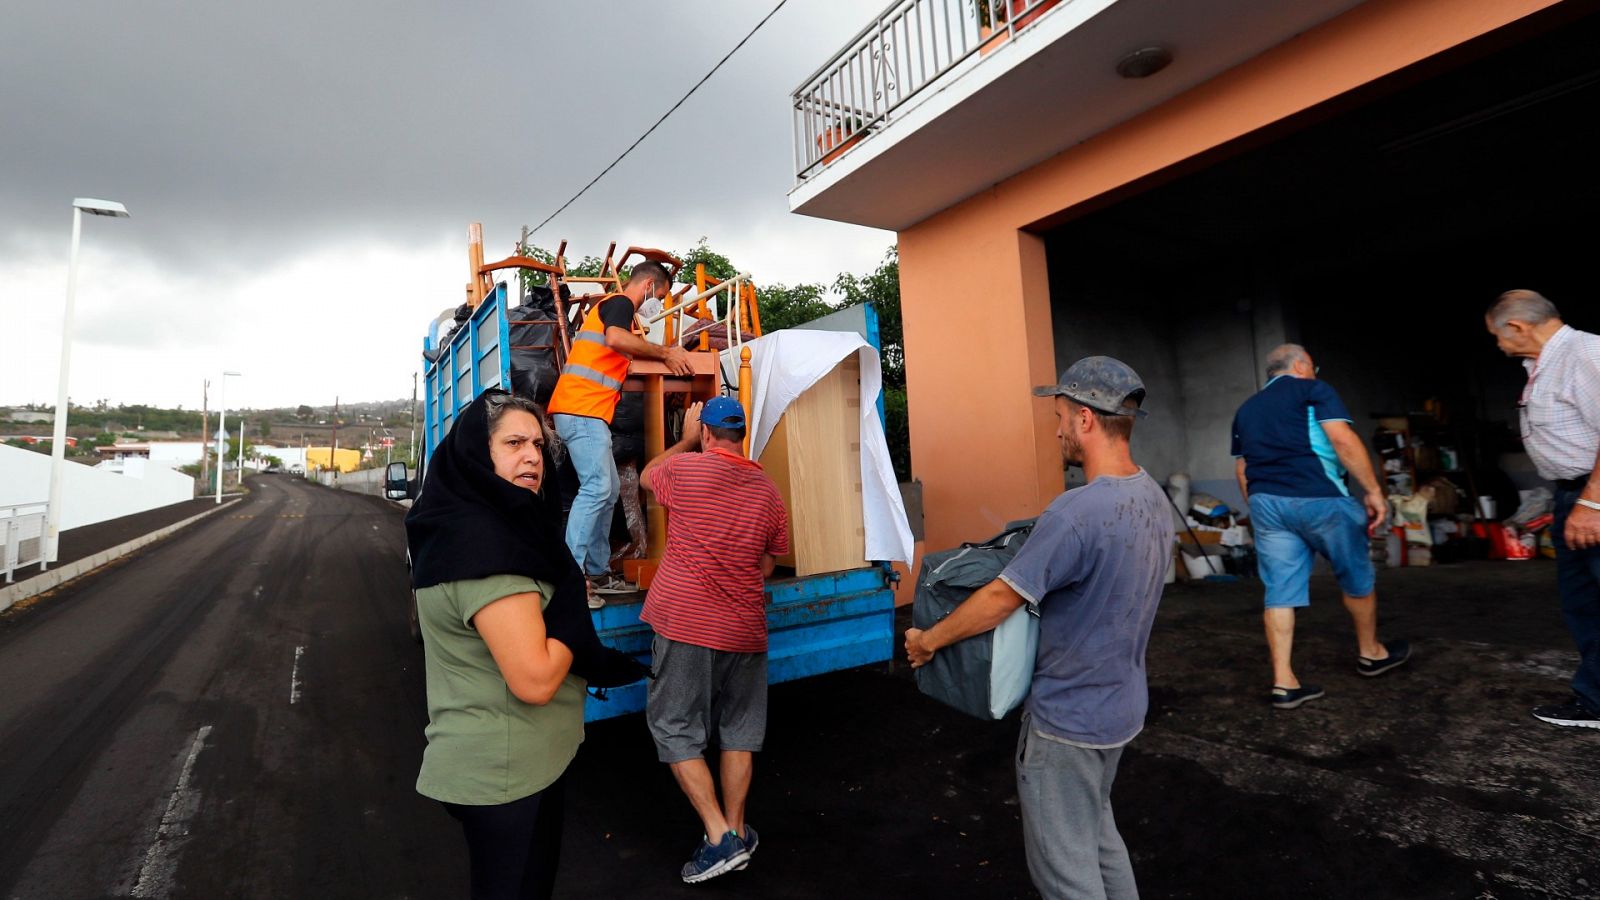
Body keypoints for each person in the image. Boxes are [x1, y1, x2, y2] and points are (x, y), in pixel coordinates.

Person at [904, 357, 1174, 900]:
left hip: (1067, 724)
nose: (1056, 430)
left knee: (1066, 875)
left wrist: (928, 641)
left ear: (1085, 419)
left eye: (1060, 416)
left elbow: (1001, 597)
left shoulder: (1077, 512)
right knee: (1099, 839)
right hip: (1121, 711)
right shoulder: (1153, 499)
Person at [405, 389, 648, 900]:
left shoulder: (487, 528)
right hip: (504, 771)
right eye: (513, 443)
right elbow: (535, 680)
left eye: (538, 444)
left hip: (525, 761)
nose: (533, 456)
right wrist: (568, 606)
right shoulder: (484, 548)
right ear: (478, 452)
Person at [638, 397, 789, 884]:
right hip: (745, 627)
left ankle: (718, 837)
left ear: (706, 433)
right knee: (740, 731)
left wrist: (681, 439)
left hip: (685, 621)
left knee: (676, 727)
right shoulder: (768, 490)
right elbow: (768, 564)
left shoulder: (685, 470)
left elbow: (644, 478)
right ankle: (738, 832)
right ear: (741, 435)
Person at [1231, 343, 1409, 710]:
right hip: (1321, 498)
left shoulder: (1246, 409)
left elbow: (1242, 468)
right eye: (1314, 365)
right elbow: (1342, 440)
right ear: (1301, 365)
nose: (1316, 371)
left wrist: (1264, 507)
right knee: (1356, 575)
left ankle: (1284, 681)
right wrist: (1374, 491)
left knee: (1279, 590)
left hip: (1267, 502)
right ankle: (1371, 652)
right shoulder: (1313, 389)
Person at [1485, 290, 1600, 729]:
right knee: (1584, 604)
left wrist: (1592, 502)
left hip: (1592, 496)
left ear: (1516, 326)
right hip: (1571, 495)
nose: (1496, 344)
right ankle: (1595, 701)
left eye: (1496, 334)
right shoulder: (1543, 364)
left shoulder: (1586, 353)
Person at [548, 261, 694, 606]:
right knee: (598, 487)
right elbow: (615, 338)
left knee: (609, 488)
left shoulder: (617, 314)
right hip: (581, 408)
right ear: (647, 286)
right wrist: (664, 352)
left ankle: (598, 572)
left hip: (585, 410)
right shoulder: (620, 305)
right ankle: (571, 580)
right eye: (658, 296)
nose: (654, 303)